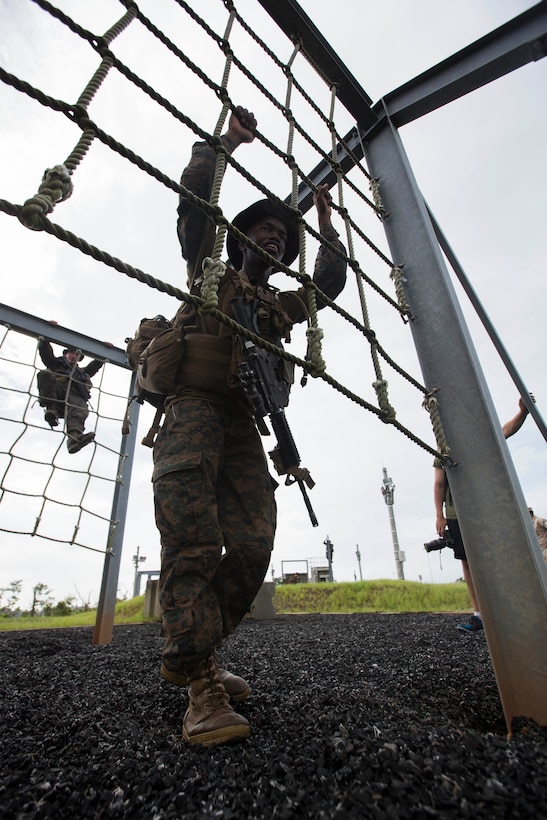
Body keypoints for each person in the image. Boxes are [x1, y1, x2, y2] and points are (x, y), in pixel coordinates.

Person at [153, 106, 347, 746]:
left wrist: (323, 224)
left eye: (281, 239)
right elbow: (193, 205)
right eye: (263, 230)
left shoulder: (278, 308)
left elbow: (327, 283)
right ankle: (202, 680)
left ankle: (194, 650)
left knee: (256, 541)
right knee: (194, 542)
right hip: (191, 412)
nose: (273, 239)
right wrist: (223, 146)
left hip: (241, 427)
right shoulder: (211, 271)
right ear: (241, 238)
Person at [433, 396, 533, 633]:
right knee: (466, 562)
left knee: (495, 557)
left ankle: (510, 608)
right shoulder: (443, 448)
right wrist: (439, 515)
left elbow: (506, 430)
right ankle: (479, 615)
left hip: (485, 507)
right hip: (457, 513)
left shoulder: (479, 437)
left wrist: (523, 413)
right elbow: (438, 484)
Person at [37, 326, 105, 454]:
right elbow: (46, 354)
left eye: (76, 354)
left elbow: (93, 367)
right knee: (44, 375)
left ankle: (74, 438)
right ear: (65, 354)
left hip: (75, 402)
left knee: (80, 407)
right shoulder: (57, 364)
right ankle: (52, 410)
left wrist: (104, 353)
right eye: (71, 353)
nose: (73, 356)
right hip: (57, 395)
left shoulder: (82, 373)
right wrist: (44, 338)